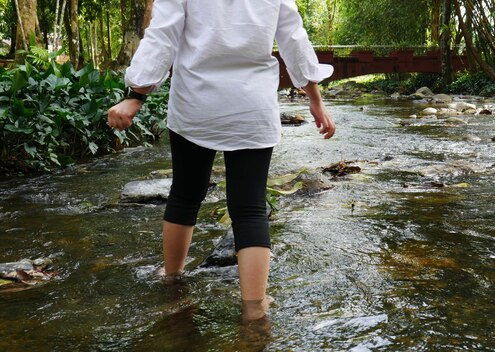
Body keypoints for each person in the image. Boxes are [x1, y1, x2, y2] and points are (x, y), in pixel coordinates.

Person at [106, 0, 335, 321]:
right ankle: (255, 309)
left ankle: (172, 278)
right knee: (250, 207)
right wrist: (316, 100)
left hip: (196, 104)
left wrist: (136, 95)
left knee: (185, 194)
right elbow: (294, 40)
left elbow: (162, 36)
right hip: (251, 105)